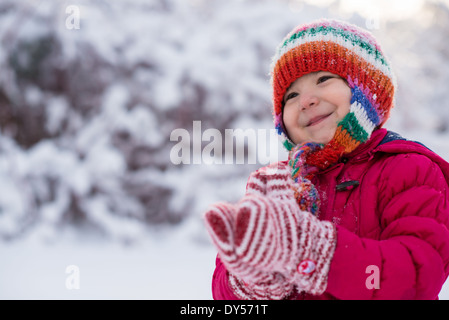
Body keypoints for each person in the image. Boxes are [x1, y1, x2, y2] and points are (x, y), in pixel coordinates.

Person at [203, 19, 449, 300]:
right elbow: (224, 291)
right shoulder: (279, 183)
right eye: (291, 95)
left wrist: (312, 251)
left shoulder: (408, 169)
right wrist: (256, 276)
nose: (305, 100)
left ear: (366, 88)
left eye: (323, 79)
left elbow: (415, 276)